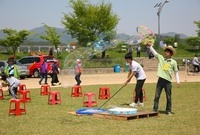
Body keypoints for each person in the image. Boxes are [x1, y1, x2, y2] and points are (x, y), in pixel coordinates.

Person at [147, 43, 180, 115]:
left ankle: (168, 110)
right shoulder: (161, 58)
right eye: (166, 51)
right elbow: (155, 53)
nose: (166, 53)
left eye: (168, 52)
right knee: (157, 95)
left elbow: (176, 72)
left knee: (168, 97)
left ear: (171, 53)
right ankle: (155, 109)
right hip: (160, 80)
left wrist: (178, 81)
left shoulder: (174, 62)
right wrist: (150, 46)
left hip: (168, 81)